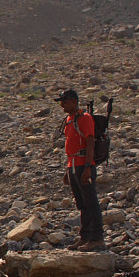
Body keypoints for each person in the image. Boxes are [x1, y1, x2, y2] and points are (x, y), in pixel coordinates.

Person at [56, 89, 105, 251]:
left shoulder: (84, 118)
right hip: (73, 164)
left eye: (65, 101)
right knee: (82, 204)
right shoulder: (69, 119)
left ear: (74, 102)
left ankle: (97, 238)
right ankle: (85, 237)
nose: (62, 105)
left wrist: (87, 168)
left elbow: (90, 142)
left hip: (84, 164)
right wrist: (67, 170)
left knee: (90, 202)